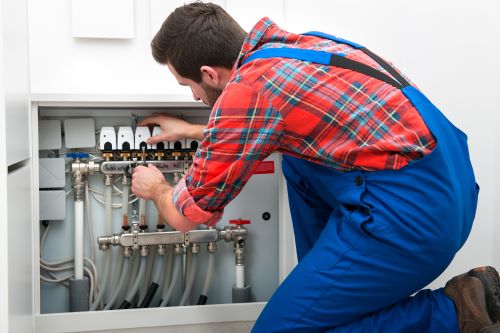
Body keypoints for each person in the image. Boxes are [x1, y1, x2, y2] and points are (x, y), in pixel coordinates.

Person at [131, 2, 500, 332]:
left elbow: (188, 214)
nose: (193, 96)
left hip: (412, 218)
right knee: (295, 158)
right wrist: (200, 130)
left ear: (209, 74)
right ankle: (325, 294)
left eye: (188, 85)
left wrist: (156, 187)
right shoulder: (299, 47)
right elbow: (271, 124)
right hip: (451, 186)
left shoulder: (248, 89)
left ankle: (457, 310)